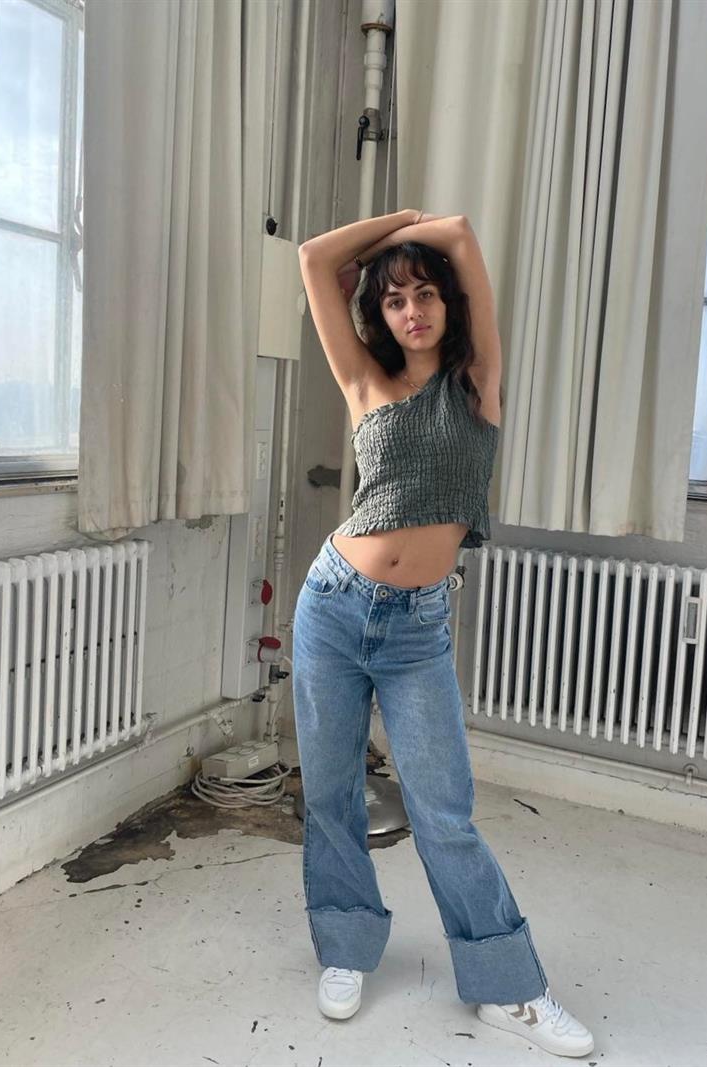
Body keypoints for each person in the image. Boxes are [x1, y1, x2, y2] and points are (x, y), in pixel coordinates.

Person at [292, 209, 594, 1058]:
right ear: (378, 315)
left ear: (448, 303)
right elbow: (314, 258)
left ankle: (509, 986)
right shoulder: (364, 381)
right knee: (332, 796)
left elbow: (458, 231)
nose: (412, 311)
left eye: (424, 294)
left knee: (444, 813)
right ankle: (347, 944)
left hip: (417, 628)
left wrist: (411, 239)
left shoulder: (478, 384)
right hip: (333, 604)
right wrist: (384, 243)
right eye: (393, 300)